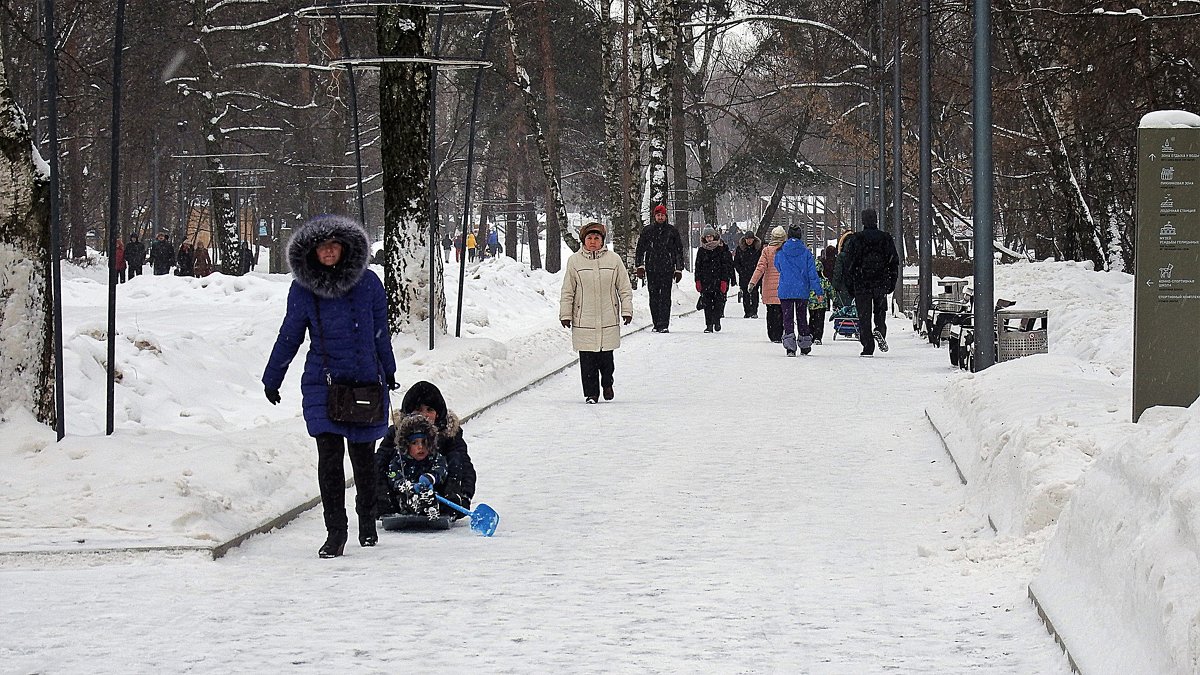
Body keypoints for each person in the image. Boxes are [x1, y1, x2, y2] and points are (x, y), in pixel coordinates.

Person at [262, 214, 398, 558]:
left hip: (366, 380)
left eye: (334, 245)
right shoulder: (303, 289)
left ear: (345, 248)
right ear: (312, 251)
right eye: (322, 246)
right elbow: (289, 334)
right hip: (323, 384)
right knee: (329, 457)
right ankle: (335, 532)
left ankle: (367, 520)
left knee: (363, 458)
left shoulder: (369, 284)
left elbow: (381, 330)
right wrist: (272, 376)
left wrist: (390, 369)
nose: (328, 252)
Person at [375, 380, 476, 519]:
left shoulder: (449, 435)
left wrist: (465, 495)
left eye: (430, 410)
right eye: (418, 410)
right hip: (401, 490)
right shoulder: (396, 434)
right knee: (386, 459)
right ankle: (389, 502)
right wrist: (378, 495)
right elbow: (378, 463)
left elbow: (464, 465)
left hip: (438, 491)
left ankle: (450, 501)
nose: (424, 415)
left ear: (438, 414)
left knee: (455, 458)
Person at [560, 221, 633, 404]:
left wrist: (626, 310)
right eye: (589, 238)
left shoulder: (613, 260)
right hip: (583, 318)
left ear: (602, 241)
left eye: (596, 238)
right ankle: (591, 394)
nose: (593, 241)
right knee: (587, 360)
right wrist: (566, 314)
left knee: (606, 358)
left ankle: (607, 383)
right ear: (583, 240)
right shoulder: (574, 262)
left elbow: (624, 287)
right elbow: (568, 290)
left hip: (608, 315)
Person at [841, 208, 900, 356]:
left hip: (862, 282)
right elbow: (894, 261)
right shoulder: (885, 238)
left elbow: (848, 264)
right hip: (881, 281)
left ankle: (867, 345)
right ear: (876, 220)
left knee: (864, 315)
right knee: (880, 310)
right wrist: (892, 281)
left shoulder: (856, 239)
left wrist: (850, 285)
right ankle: (880, 330)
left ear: (862, 221)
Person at [384, 413, 449, 521]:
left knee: (432, 495)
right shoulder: (399, 461)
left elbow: (441, 469)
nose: (420, 447)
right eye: (415, 443)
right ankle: (414, 506)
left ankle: (431, 507)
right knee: (404, 498)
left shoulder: (435, 458)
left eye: (424, 442)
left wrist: (431, 478)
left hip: (431, 492)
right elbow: (394, 478)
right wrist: (410, 487)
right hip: (408, 494)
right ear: (406, 445)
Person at [774, 225, 824, 356]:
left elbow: (778, 267)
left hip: (786, 289)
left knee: (787, 318)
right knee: (802, 317)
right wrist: (819, 292)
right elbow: (812, 274)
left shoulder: (781, 251)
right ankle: (805, 343)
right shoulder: (806, 252)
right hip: (802, 290)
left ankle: (790, 347)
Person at [634, 204, 684, 333]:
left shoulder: (672, 231)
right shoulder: (648, 231)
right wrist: (639, 265)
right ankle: (656, 322)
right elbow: (640, 249)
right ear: (654, 216)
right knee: (654, 296)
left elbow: (678, 250)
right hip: (652, 268)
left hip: (667, 268)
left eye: (662, 215)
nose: (660, 217)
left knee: (665, 297)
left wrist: (678, 268)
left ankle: (664, 323)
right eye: (658, 215)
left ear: (666, 216)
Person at [748, 226, 786, 343]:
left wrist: (752, 282)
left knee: (771, 312)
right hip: (784, 286)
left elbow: (760, 268)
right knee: (782, 311)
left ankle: (772, 334)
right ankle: (780, 333)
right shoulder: (786, 251)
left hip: (769, 287)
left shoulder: (766, 251)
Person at [694, 225, 735, 333]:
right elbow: (698, 267)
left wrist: (724, 280)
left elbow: (725, 266)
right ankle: (709, 325)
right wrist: (697, 280)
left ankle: (716, 321)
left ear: (714, 236)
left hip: (718, 281)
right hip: (705, 281)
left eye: (710, 236)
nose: (709, 239)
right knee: (707, 304)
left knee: (718, 303)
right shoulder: (702, 251)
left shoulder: (720, 250)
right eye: (707, 237)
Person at [809, 246, 837, 345]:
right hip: (822, 303)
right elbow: (830, 290)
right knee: (820, 321)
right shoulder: (824, 281)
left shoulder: (809, 281)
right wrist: (835, 299)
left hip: (811, 304)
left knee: (811, 319)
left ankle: (810, 334)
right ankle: (818, 336)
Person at [733, 230, 763, 319]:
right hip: (744, 275)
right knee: (745, 293)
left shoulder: (758, 249)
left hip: (755, 275)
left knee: (754, 293)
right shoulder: (740, 249)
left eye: (750, 239)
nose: (749, 241)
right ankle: (747, 311)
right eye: (747, 239)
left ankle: (754, 311)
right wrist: (741, 271)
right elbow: (736, 262)